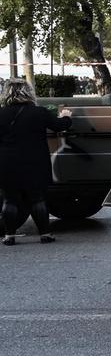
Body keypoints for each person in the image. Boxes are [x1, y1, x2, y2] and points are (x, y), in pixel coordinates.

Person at [0, 78, 73, 245]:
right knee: (37, 198)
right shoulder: (39, 112)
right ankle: (45, 234)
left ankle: (9, 235)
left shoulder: (1, 114)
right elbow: (59, 125)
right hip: (35, 161)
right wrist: (66, 117)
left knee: (9, 199)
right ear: (28, 92)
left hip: (6, 162)